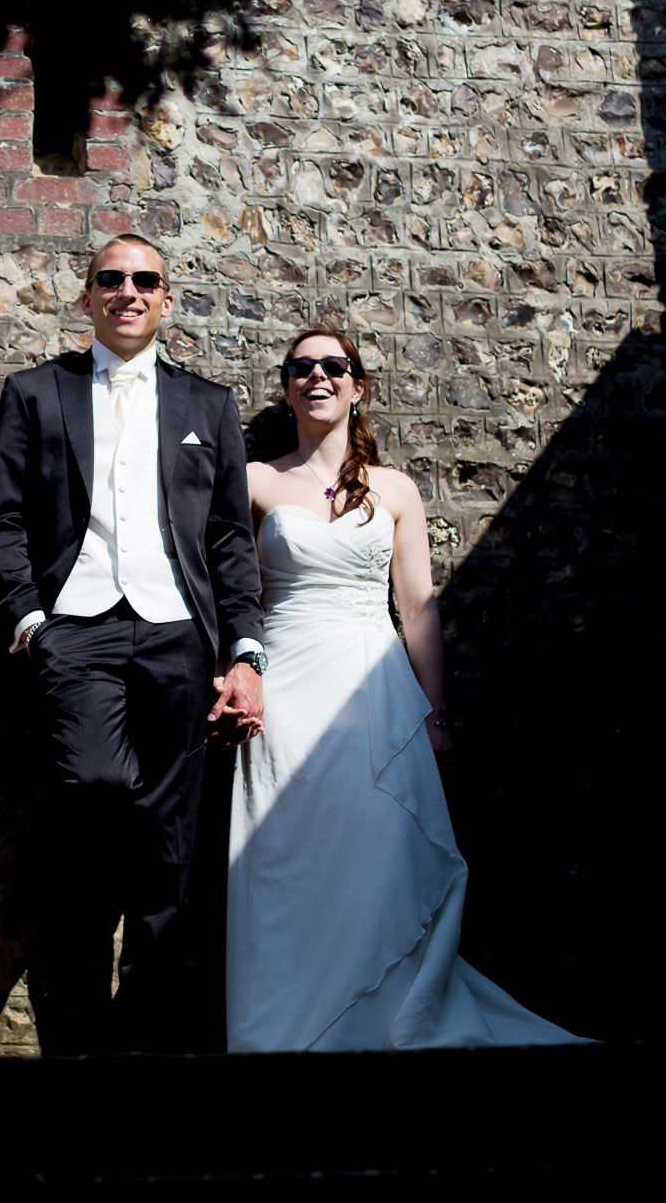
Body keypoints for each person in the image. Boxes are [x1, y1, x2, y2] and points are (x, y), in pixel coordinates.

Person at [227, 325, 589, 1052]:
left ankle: (377, 1016)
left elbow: (418, 603)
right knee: (289, 857)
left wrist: (435, 709)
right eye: (301, 367)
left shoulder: (393, 489)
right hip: (289, 686)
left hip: (374, 690)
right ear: (287, 387)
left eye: (334, 365)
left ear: (358, 386)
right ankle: (284, 1031)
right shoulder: (256, 480)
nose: (316, 376)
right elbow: (229, 587)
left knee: (377, 851)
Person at [0, 234, 267, 1054]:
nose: (128, 291)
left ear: (166, 300)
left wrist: (243, 650)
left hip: (180, 632)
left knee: (172, 840)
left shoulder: (206, 405)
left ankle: (141, 1040)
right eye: (111, 279)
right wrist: (32, 622)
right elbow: (3, 517)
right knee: (98, 786)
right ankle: (76, 1020)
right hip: (76, 631)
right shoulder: (37, 393)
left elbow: (226, 539)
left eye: (145, 280)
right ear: (87, 299)